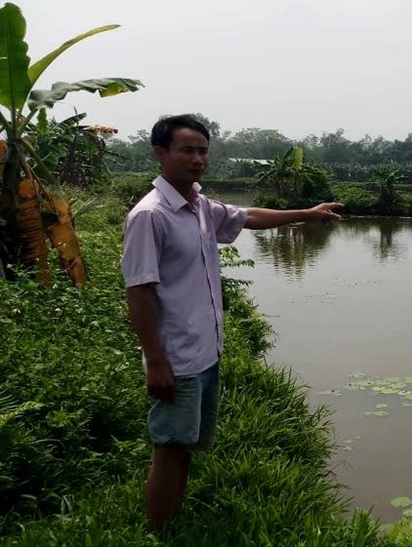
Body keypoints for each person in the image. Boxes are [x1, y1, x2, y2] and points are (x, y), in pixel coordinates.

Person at [120, 114, 343, 533]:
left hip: (204, 353)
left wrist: (308, 214)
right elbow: (139, 291)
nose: (198, 159)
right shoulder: (151, 216)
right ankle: (155, 533)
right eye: (187, 150)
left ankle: (172, 524)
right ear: (160, 154)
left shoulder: (200, 207)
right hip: (177, 357)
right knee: (169, 448)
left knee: (185, 447)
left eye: (203, 150)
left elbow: (249, 217)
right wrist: (155, 360)